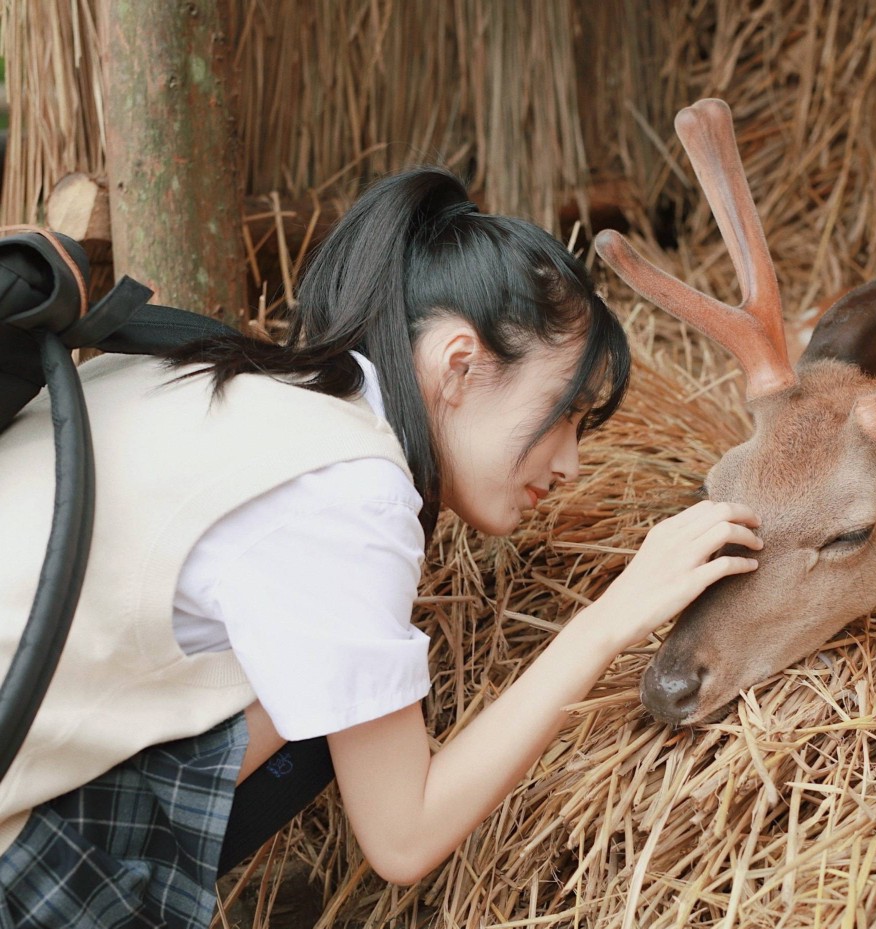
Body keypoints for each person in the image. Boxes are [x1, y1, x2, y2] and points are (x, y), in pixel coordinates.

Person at [0, 166, 762, 928]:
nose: (569, 463)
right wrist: (609, 616)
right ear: (459, 364)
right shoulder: (349, 487)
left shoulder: (232, 379)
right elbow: (403, 836)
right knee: (351, 708)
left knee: (348, 692)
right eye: (562, 413)